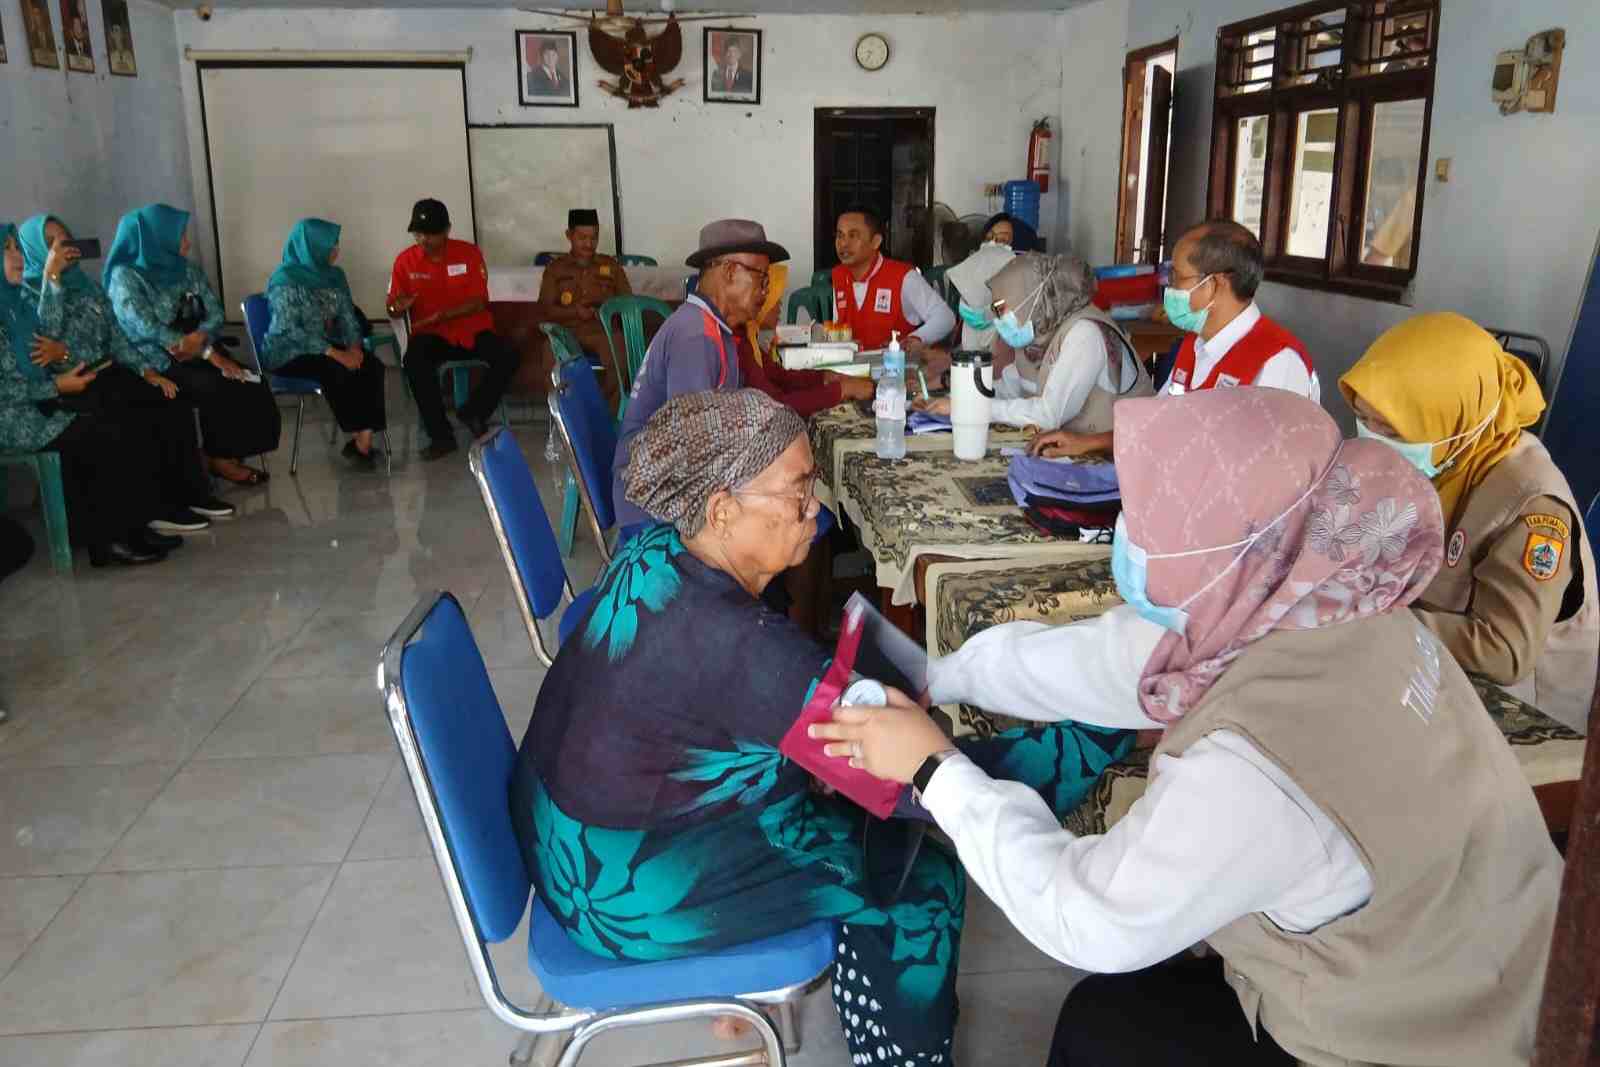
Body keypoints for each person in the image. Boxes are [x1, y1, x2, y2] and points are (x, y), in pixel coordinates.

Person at [814, 386, 1562, 1067]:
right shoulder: (1343, 600)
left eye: (1150, 525)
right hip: (1504, 945)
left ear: (1226, 552)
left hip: (1426, 1034)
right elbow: (1116, 658)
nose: (1130, 542)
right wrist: (944, 672)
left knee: (1099, 1026)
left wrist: (936, 770)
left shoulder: (1254, 769)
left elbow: (1088, 916)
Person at [514, 387, 1131, 1066]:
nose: (817, 508)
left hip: (566, 831)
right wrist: (1097, 718)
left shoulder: (661, 551)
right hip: (622, 884)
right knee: (917, 871)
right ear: (722, 509)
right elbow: (914, 789)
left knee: (887, 776)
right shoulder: (743, 650)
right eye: (797, 490)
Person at [1342, 312, 1598, 733]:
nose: (1371, 436)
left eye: (1389, 427)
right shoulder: (1445, 460)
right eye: (1362, 418)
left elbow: (1505, 651)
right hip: (1431, 663)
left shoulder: (1532, 506)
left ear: (1453, 421)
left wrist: (1377, 619)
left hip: (1527, 710)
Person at [1029, 219, 1318, 459]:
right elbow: (1159, 425)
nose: (1168, 287)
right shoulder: (1194, 346)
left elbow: (1273, 473)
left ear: (1214, 285)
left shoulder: (1276, 361)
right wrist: (1086, 443)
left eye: (1177, 277)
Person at [21, 213, 232, 531]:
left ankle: (189, 494)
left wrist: (146, 371)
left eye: (65, 238)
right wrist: (51, 280)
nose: (61, 247)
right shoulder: (29, 295)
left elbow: (116, 337)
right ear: (35, 250)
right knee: (128, 416)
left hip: (107, 371)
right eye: (51, 243)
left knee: (169, 398)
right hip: (72, 386)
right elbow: (50, 352)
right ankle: (149, 509)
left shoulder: (87, 286)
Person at [3, 224, 171, 565]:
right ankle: (107, 540)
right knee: (98, 435)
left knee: (117, 423)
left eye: (18, 248)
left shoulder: (16, 304)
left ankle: (130, 526)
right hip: (12, 418)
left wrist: (51, 280)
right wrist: (57, 386)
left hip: (37, 403)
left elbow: (45, 338)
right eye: (7, 249)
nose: (18, 256)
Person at [610, 218, 785, 534]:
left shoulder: (715, 329)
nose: (766, 291)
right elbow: (694, 456)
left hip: (675, 488)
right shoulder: (696, 336)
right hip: (653, 509)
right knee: (788, 521)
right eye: (762, 279)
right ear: (731, 272)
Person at [105, 203, 282, 486]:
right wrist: (204, 350)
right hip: (154, 360)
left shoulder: (187, 270)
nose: (187, 243)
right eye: (180, 236)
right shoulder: (125, 277)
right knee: (215, 386)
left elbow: (215, 311)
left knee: (251, 382)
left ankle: (230, 451)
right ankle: (219, 458)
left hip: (200, 350)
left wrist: (201, 338)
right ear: (156, 238)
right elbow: (145, 326)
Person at [919, 252, 1151, 432]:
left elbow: (1048, 415)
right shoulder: (1036, 333)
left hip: (1121, 458)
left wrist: (970, 408)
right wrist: (952, 400)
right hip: (1075, 448)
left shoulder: (1085, 333)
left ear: (1031, 300)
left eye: (1002, 307)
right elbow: (1011, 387)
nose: (998, 318)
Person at [386, 198, 518, 461]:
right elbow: (392, 308)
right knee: (414, 361)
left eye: (431, 234)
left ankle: (474, 411)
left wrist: (442, 315)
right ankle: (441, 436)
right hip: (431, 336)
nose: (423, 239)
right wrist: (397, 308)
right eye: (418, 233)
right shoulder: (405, 262)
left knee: (508, 356)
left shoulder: (468, 254)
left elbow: (480, 301)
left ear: (447, 230)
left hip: (472, 330)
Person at [261, 218, 387, 469]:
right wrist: (336, 354)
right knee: (334, 369)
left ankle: (363, 440)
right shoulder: (285, 279)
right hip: (288, 351)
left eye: (336, 244)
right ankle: (357, 437)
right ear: (311, 246)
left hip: (326, 347)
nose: (336, 251)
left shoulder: (335, 276)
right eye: (331, 245)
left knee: (372, 365)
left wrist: (354, 347)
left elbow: (347, 317)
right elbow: (290, 330)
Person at [737, 262, 873, 418]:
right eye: (775, 298)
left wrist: (824, 377)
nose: (780, 304)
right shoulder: (739, 344)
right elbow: (776, 405)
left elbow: (780, 377)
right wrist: (841, 390)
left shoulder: (749, 338)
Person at [537, 208, 631, 411]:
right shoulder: (556, 269)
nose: (589, 244)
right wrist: (574, 312)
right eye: (582, 238)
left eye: (594, 237)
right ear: (569, 236)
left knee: (619, 349)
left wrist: (608, 311)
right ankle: (567, 417)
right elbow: (544, 310)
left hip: (601, 331)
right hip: (566, 331)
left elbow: (628, 303)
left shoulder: (611, 266)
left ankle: (606, 414)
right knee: (549, 352)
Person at [830, 206, 955, 358]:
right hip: (852, 370)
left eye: (853, 236)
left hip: (895, 371)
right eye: (840, 235)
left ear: (875, 241)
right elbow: (839, 324)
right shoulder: (838, 275)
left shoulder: (903, 277)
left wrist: (914, 339)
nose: (843, 244)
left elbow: (945, 317)